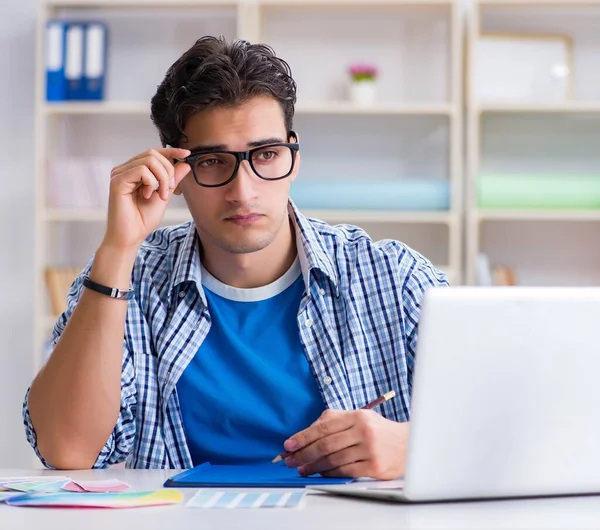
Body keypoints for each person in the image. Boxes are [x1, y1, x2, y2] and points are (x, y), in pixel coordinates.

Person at [23, 36, 448, 479]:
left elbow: (513, 426)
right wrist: (117, 248)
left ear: (293, 156)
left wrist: (415, 447)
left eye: (266, 155)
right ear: (174, 172)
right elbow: (66, 450)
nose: (243, 191)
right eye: (212, 162)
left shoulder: (394, 279)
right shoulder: (130, 279)